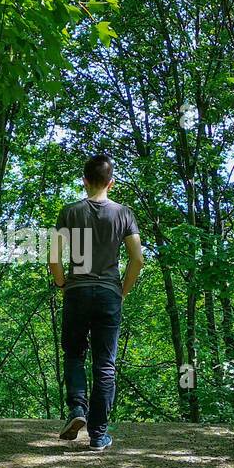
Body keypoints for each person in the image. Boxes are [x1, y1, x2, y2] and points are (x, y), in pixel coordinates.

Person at [47, 154, 144, 451]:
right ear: (110, 183)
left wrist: (63, 284)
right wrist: (121, 291)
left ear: (85, 181)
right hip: (108, 294)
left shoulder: (69, 212)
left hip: (77, 290)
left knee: (74, 354)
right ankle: (99, 436)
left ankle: (77, 409)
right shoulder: (124, 214)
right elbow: (137, 260)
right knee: (105, 365)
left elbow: (53, 258)